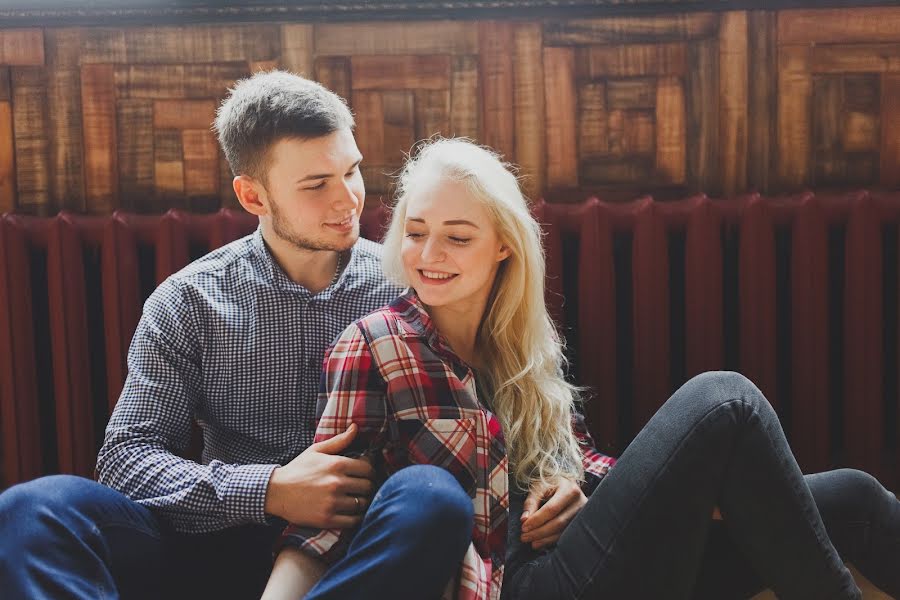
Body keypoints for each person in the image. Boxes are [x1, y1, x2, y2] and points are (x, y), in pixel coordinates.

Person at [261, 138, 900, 600]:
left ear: (503, 245)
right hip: (511, 586)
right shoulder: (372, 345)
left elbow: (582, 461)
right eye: (416, 231)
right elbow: (322, 521)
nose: (429, 255)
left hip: (577, 559)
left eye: (457, 237)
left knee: (852, 497)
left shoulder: (521, 343)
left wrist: (573, 489)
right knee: (724, 402)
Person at [0, 71, 472, 599]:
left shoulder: (411, 289)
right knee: (30, 510)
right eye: (316, 185)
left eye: (353, 170)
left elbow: (492, 415)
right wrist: (268, 491)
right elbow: (126, 459)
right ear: (253, 197)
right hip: (209, 545)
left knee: (433, 497)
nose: (348, 200)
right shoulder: (189, 300)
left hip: (351, 554)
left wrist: (563, 476)